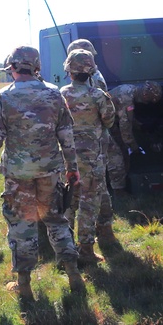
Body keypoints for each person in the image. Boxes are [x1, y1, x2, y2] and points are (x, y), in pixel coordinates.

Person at [0, 45, 85, 300]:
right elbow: (66, 135)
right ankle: (73, 273)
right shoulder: (54, 93)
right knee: (56, 220)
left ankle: (24, 284)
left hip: (18, 174)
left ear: (13, 67)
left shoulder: (4, 97)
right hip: (49, 171)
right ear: (36, 67)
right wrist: (73, 168)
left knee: (22, 225)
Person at [59, 49, 116, 265]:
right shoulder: (98, 95)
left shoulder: (60, 94)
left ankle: (65, 249)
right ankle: (86, 250)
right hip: (92, 158)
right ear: (91, 70)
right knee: (88, 203)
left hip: (66, 157)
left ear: (69, 70)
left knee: (68, 202)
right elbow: (109, 121)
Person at [105, 81, 161, 193]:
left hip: (109, 123)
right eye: (148, 101)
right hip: (103, 126)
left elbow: (127, 118)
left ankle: (122, 183)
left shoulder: (130, 90)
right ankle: (118, 191)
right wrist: (135, 148)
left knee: (123, 152)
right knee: (116, 157)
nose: (146, 103)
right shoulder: (127, 99)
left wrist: (141, 127)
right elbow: (126, 130)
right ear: (145, 96)